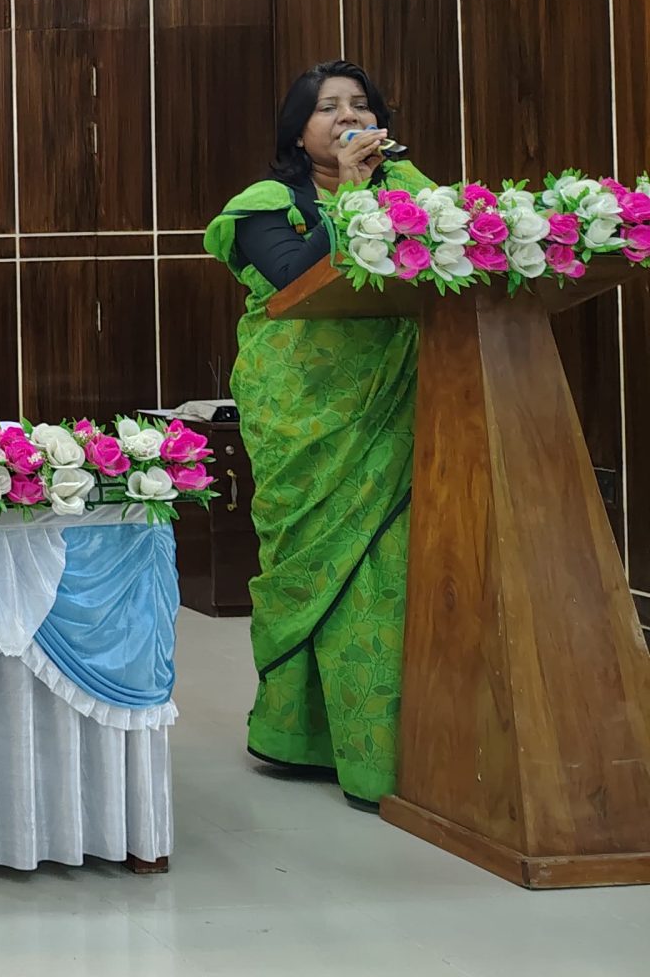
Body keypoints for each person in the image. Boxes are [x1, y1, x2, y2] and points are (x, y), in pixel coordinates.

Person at [204, 59, 430, 809]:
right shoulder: (264, 206)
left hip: (394, 404)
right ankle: (300, 732)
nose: (348, 117)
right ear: (298, 133)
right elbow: (297, 278)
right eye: (328, 107)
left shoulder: (410, 190)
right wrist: (355, 193)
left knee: (387, 574)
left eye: (359, 105)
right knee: (315, 565)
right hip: (304, 411)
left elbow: (460, 251)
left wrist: (384, 188)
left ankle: (391, 752)